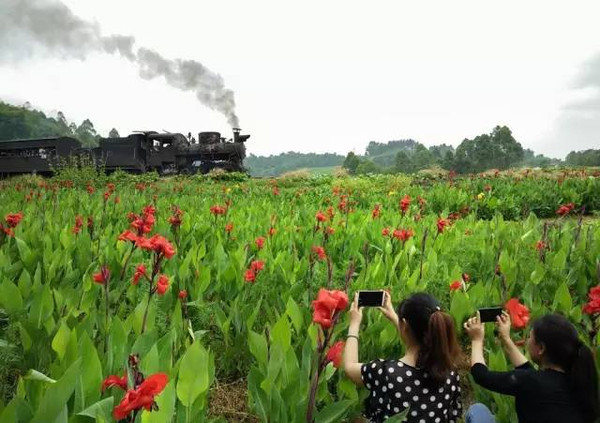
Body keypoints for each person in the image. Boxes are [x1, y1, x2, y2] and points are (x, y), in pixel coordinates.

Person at [343, 291, 463, 422]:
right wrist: (395, 318)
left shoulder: (386, 373)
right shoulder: (450, 371)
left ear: (405, 326)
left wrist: (354, 323)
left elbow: (349, 367)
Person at [464, 311, 599, 423]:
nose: (527, 340)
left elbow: (481, 375)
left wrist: (476, 340)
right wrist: (505, 338)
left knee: (477, 411)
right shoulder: (580, 381)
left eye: (529, 337)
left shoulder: (530, 382)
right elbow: (528, 373)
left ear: (540, 348)